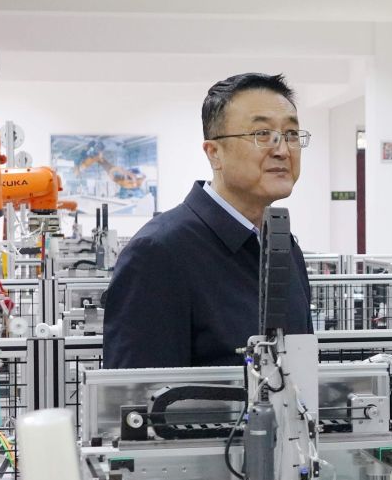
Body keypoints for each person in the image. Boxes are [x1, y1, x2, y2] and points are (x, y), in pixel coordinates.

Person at [102, 72, 315, 368]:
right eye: (262, 134)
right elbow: (140, 392)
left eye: (291, 134)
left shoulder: (283, 247)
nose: (282, 150)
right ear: (214, 153)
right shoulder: (159, 253)